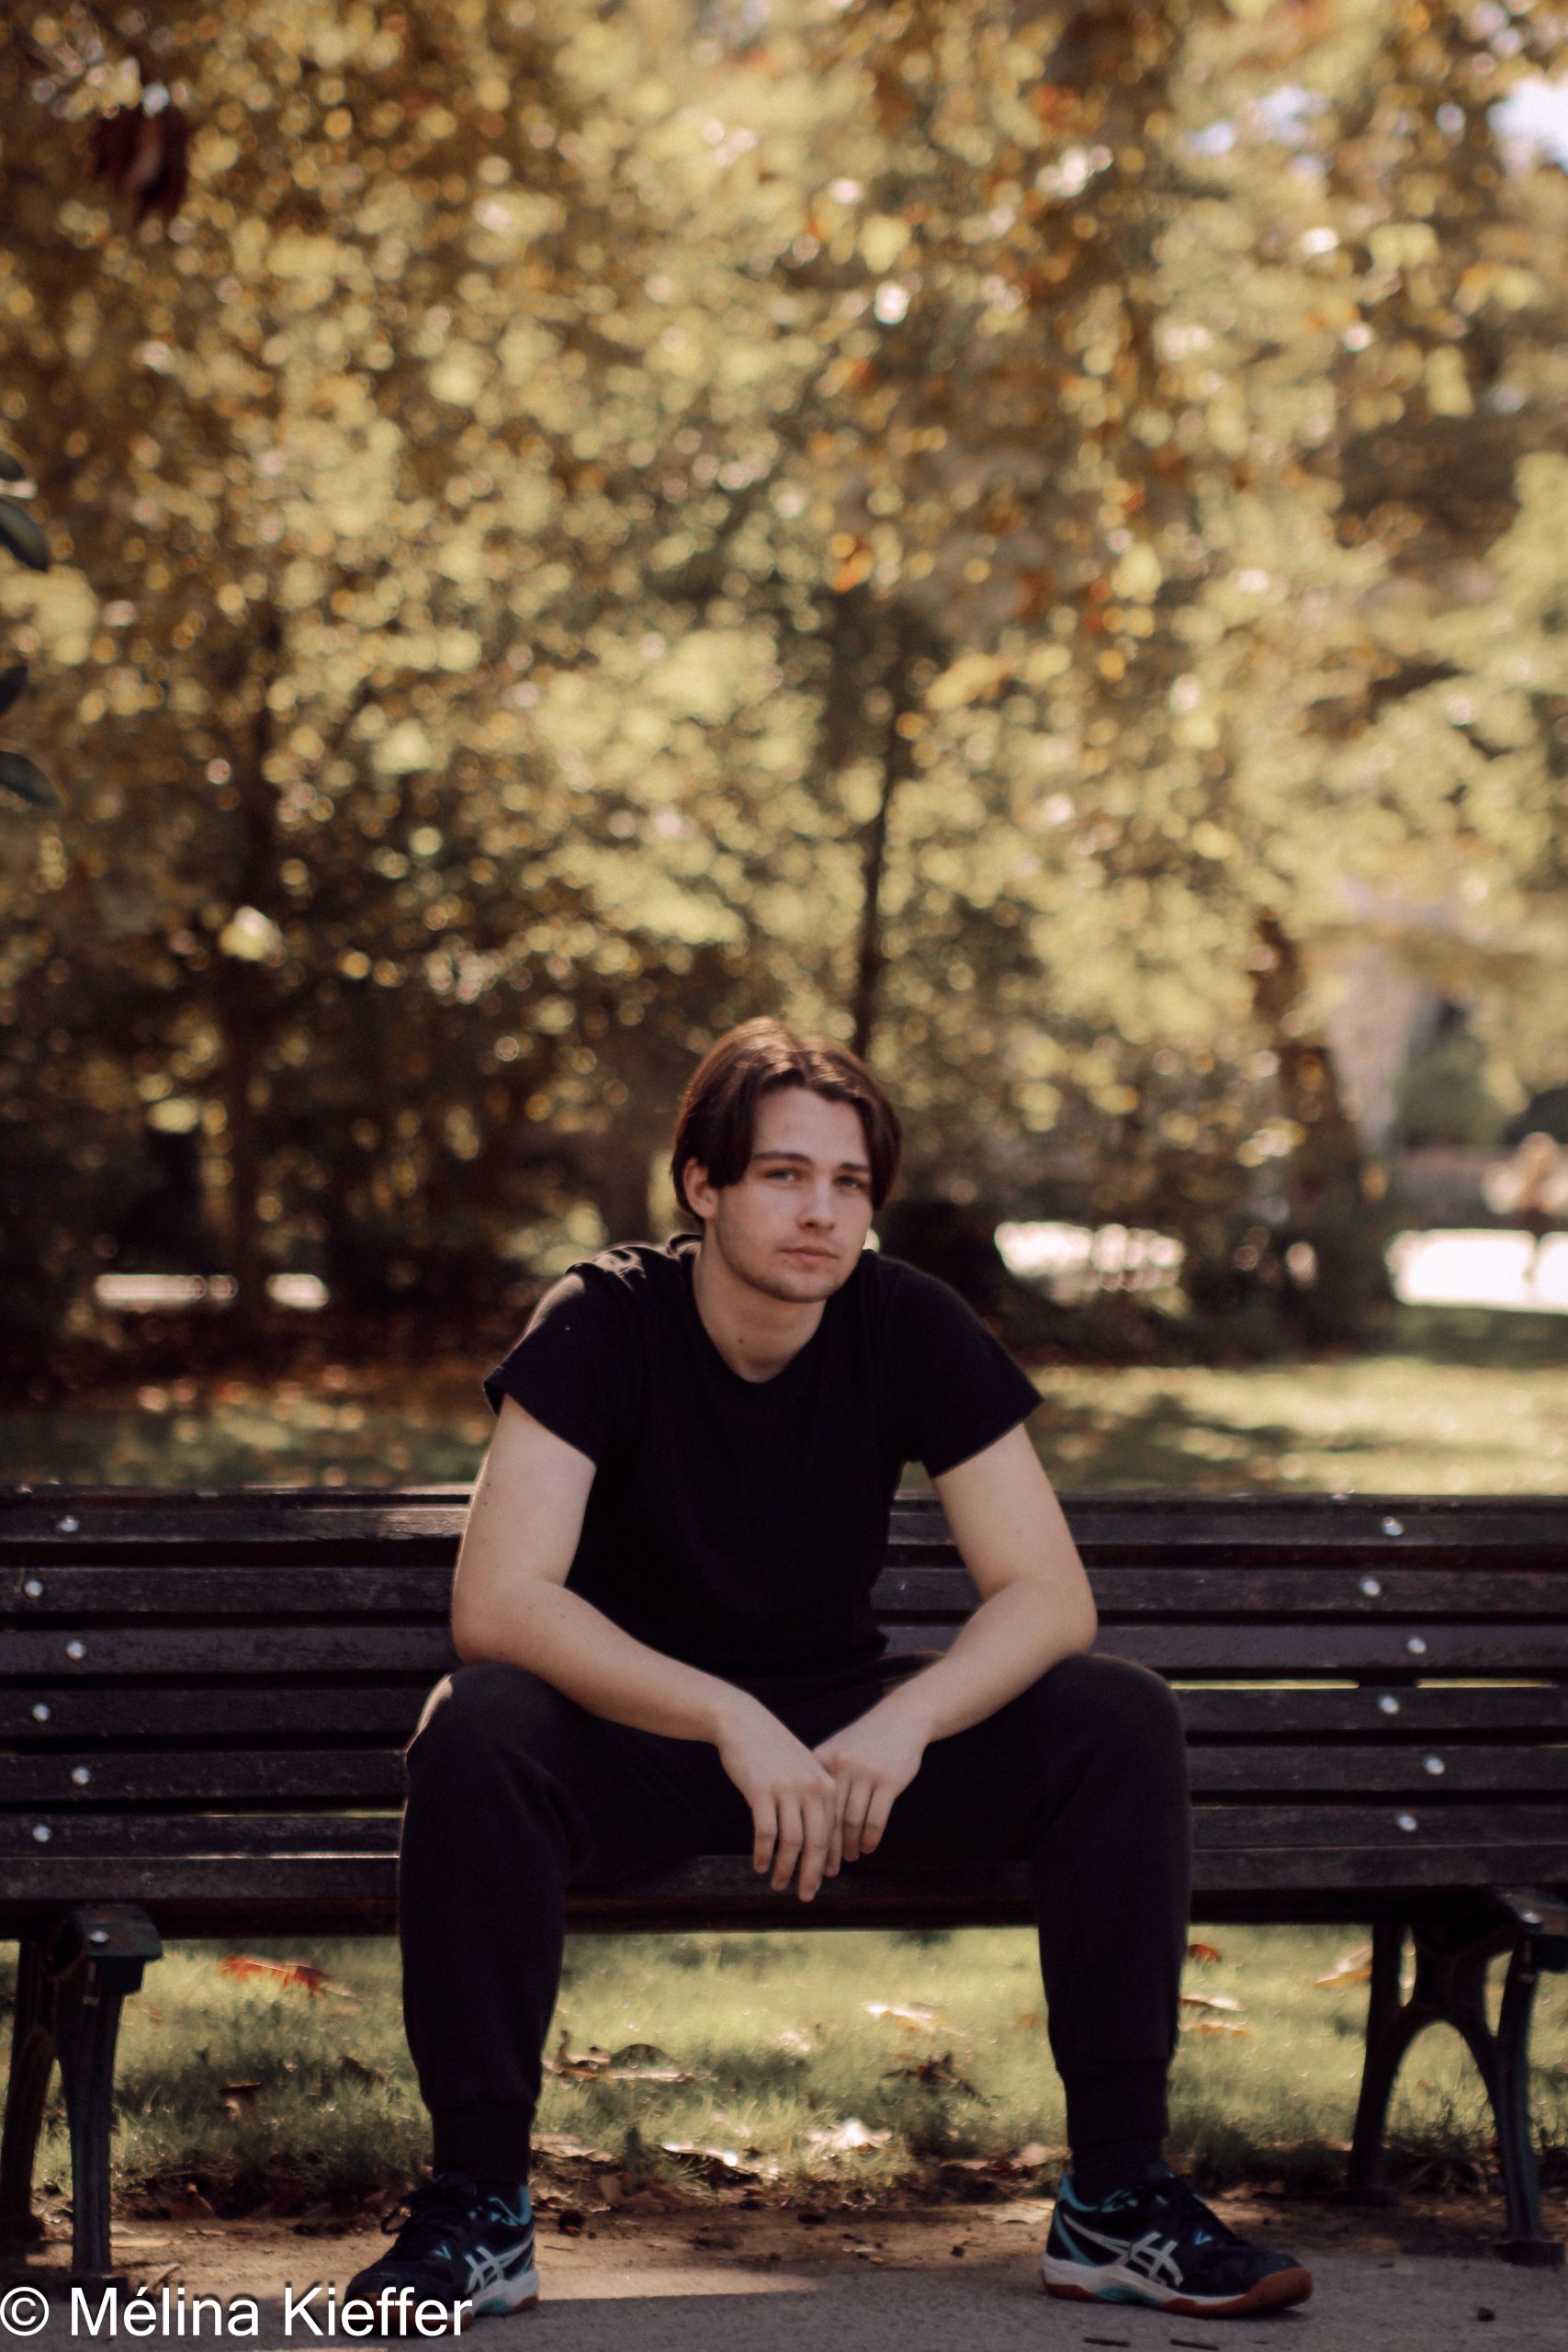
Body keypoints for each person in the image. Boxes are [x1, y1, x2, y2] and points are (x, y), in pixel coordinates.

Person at [347, 1019, 1312, 2325]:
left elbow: (1047, 1593)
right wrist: (724, 1714)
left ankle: (1120, 2197)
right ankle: (476, 2210)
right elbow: (500, 1601)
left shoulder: (907, 1322)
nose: (822, 1214)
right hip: (631, 1742)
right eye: (784, 1176)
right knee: (479, 1724)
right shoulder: (603, 1319)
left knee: (1116, 1716)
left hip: (847, 1759)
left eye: (850, 1184)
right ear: (703, 1185)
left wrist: (905, 1724)